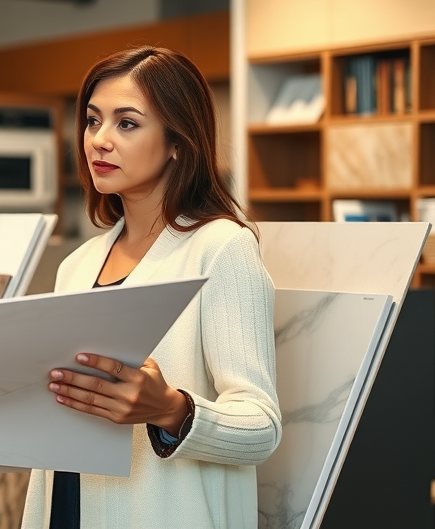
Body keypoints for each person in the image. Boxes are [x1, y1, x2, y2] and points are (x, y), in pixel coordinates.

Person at [21, 46, 281, 529]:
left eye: (127, 123)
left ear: (177, 141)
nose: (99, 140)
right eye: (93, 120)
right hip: (65, 505)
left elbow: (262, 427)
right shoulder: (77, 265)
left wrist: (169, 408)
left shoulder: (221, 248)